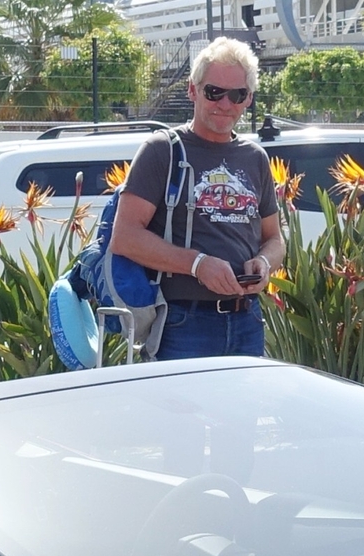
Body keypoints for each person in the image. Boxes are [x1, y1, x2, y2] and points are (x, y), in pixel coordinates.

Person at [108, 38, 283, 362]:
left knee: (240, 415)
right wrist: (197, 264)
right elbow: (125, 237)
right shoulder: (163, 150)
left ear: (248, 99)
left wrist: (264, 264)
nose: (225, 103)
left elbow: (274, 238)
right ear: (193, 91)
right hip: (184, 323)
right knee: (183, 415)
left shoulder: (255, 157)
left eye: (238, 94)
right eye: (214, 92)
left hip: (247, 319)